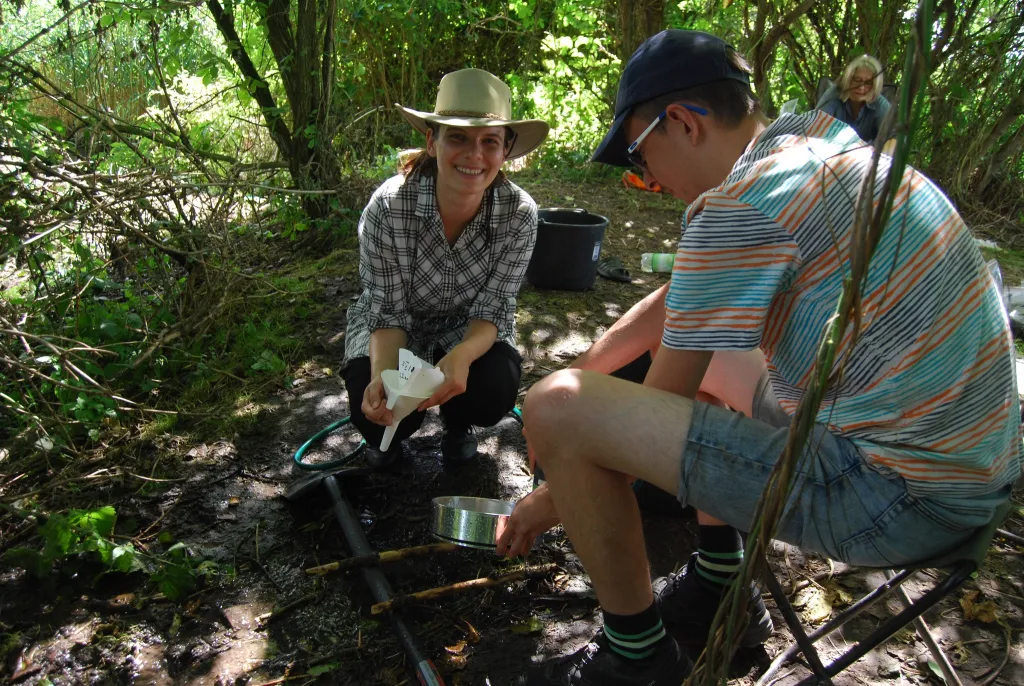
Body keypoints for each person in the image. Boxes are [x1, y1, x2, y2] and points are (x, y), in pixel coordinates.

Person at [504, 30, 1021, 686]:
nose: (648, 183)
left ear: (684, 124)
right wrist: (589, 366)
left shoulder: (742, 206)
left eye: (640, 158)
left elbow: (658, 404)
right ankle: (723, 580)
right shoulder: (821, 154)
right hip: (974, 477)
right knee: (693, 359)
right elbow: (678, 302)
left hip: (896, 499)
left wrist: (544, 496)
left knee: (562, 412)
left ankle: (635, 657)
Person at [341, 69, 549, 468]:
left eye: (490, 142)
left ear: (506, 151)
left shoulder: (519, 215)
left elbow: (493, 309)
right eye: (458, 138)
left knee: (492, 392)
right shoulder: (388, 207)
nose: (474, 156)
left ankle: (458, 424)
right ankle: (389, 436)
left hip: (466, 327)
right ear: (432, 142)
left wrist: (463, 356)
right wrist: (383, 377)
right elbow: (387, 310)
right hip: (400, 327)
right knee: (374, 412)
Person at [816, 54, 891, 143]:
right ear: (848, 78)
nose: (861, 87)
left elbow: (893, 137)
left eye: (868, 83)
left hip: (867, 154)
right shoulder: (834, 95)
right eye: (857, 80)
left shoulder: (880, 104)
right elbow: (816, 126)